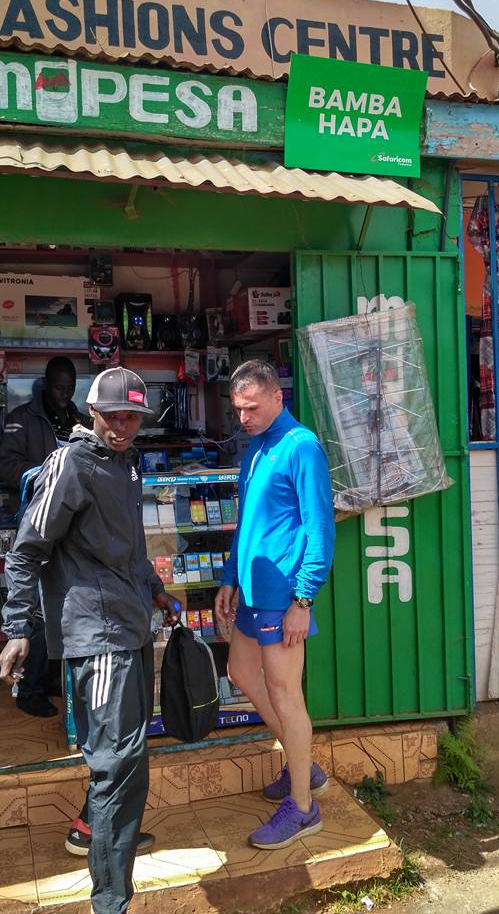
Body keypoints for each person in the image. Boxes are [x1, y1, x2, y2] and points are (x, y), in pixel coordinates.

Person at [0, 367, 179, 914]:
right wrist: (16, 628)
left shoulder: (127, 464)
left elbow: (129, 547)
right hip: (96, 636)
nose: (122, 427)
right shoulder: (71, 464)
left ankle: (116, 843)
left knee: (131, 756)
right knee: (114, 762)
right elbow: (27, 550)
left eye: (132, 418)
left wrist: (156, 591)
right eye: (113, 417)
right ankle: (110, 899)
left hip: (130, 624)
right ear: (92, 413)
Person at [215, 359, 335, 850]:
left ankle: (303, 808)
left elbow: (320, 529)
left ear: (277, 397)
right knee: (241, 673)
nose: (244, 418)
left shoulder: (301, 446)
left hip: (283, 594)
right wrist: (229, 577)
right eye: (238, 410)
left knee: (287, 695)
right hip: (251, 590)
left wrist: (303, 599)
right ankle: (302, 764)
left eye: (252, 408)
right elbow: (247, 523)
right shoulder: (256, 448)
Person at [0, 356, 90, 717]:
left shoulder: (79, 420)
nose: (65, 395)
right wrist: (48, 474)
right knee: (34, 609)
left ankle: (51, 678)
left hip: (73, 528)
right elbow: (5, 467)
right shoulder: (22, 419)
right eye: (59, 388)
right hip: (37, 522)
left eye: (70, 389)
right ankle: (29, 689)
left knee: (62, 606)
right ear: (46, 385)